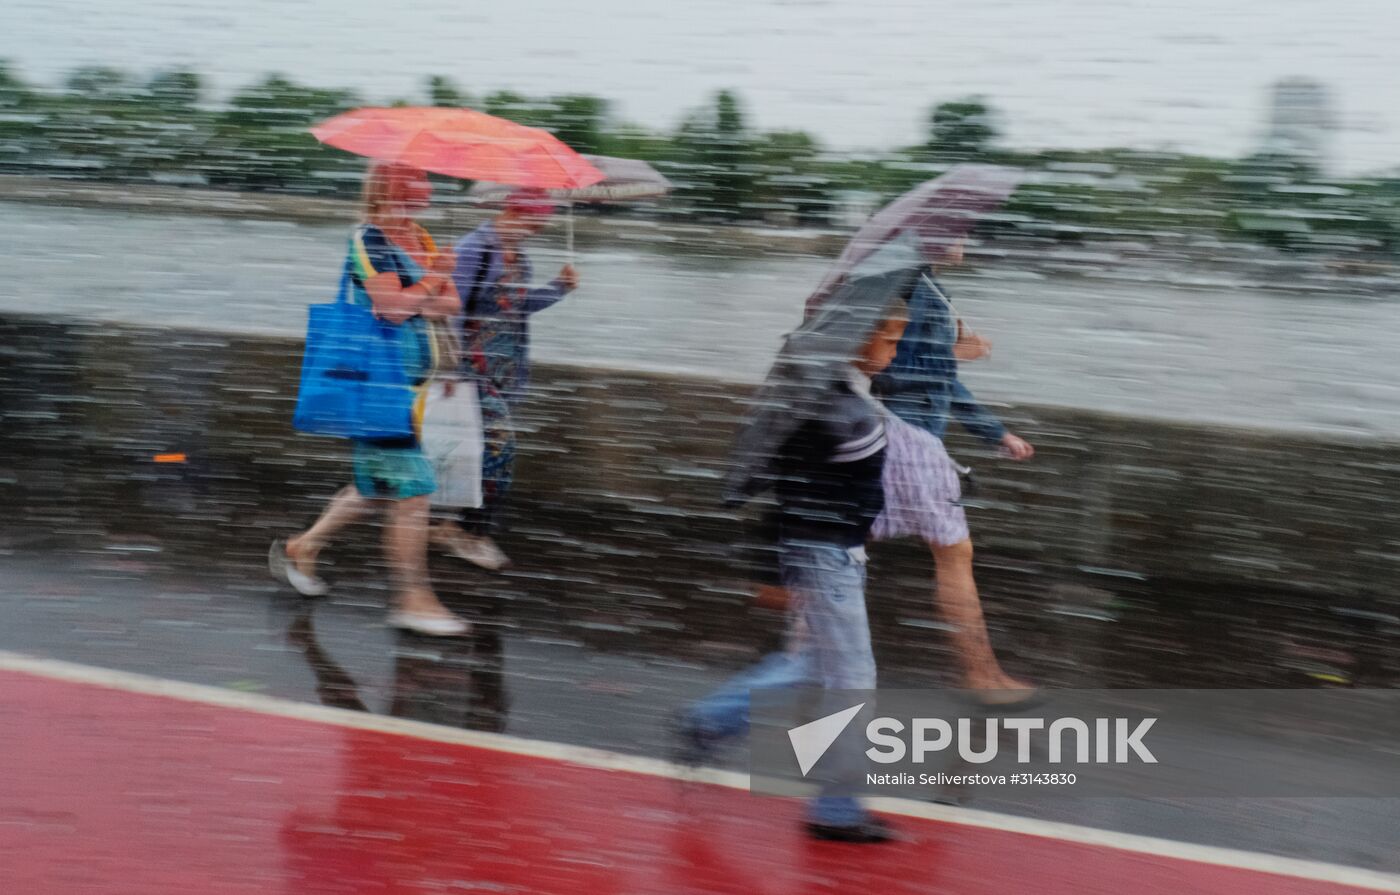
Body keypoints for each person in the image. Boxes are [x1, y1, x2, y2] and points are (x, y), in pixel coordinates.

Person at [677, 304, 909, 845]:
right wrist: (776, 569)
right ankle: (837, 810)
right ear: (857, 339)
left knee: (815, 668)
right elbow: (794, 496)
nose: (896, 352)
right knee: (850, 682)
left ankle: (711, 721)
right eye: (891, 339)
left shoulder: (844, 393)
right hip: (825, 558)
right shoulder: (829, 409)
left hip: (832, 554)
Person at [270, 161, 469, 637]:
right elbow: (392, 309)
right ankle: (411, 599)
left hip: (410, 388)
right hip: (377, 384)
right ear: (390, 185)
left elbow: (451, 304)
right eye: (419, 178)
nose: (429, 185)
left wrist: (427, 286)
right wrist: (432, 280)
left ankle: (303, 546)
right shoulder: (370, 238)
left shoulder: (419, 237)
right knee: (414, 490)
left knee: (379, 486)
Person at [869, 240, 1035, 696]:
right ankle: (981, 676)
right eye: (957, 231)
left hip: (897, 438)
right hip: (910, 442)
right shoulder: (908, 287)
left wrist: (995, 432)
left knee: (840, 544)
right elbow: (884, 369)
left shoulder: (925, 285)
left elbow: (940, 381)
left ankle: (800, 642)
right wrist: (961, 354)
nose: (965, 241)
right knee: (954, 554)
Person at [429, 188, 580, 570]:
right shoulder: (474, 250)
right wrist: (450, 369)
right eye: (532, 221)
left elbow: (516, 307)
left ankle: (449, 526)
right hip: (469, 372)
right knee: (500, 448)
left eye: (540, 224)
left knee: (476, 453)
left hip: (502, 372)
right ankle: (472, 534)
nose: (536, 229)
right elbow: (451, 311)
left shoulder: (521, 259)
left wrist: (558, 288)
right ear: (513, 210)